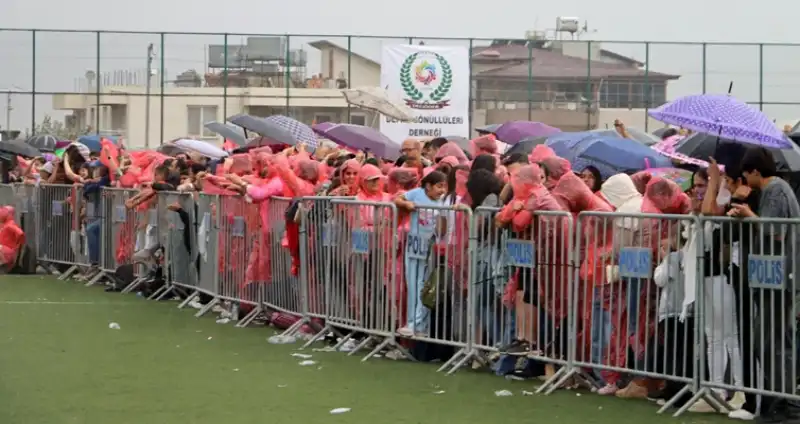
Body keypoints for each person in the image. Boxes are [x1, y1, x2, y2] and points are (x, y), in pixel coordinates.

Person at [729, 146, 800, 423]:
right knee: (772, 340)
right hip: (772, 276)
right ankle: (783, 403)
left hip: (778, 276)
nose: (746, 182)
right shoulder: (776, 190)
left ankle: (786, 405)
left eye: (746, 176)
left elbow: (775, 231)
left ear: (755, 171)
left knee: (771, 342)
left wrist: (748, 214)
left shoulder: (776, 190)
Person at [394, 170, 448, 337]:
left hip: (430, 249)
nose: (441, 191)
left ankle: (420, 325)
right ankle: (411, 323)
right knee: (412, 284)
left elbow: (443, 227)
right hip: (414, 247)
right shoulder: (417, 193)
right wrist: (405, 204)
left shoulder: (443, 202)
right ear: (428, 186)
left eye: (444, 187)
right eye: (439, 186)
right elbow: (398, 199)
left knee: (424, 286)